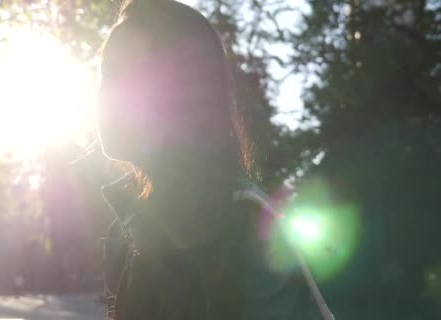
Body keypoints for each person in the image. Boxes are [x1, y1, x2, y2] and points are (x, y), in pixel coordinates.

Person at [97, 1, 330, 319]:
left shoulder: (242, 231)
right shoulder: (145, 222)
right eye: (104, 76)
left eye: (126, 75)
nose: (105, 96)